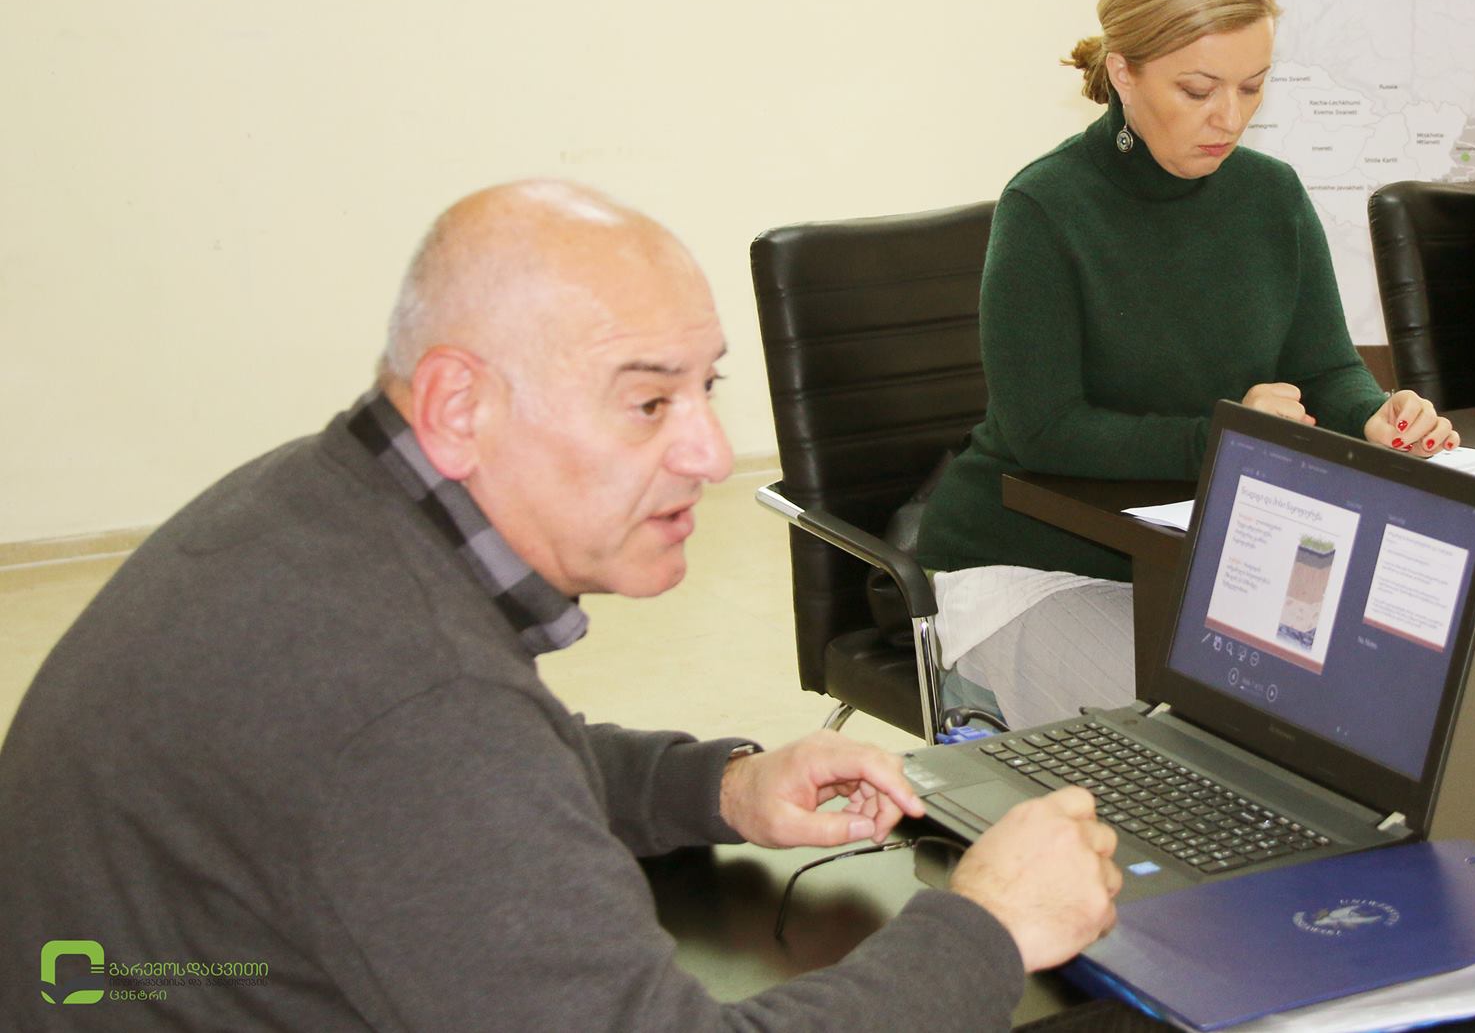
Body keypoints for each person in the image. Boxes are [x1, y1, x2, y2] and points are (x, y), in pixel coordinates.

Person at [0, 181, 1119, 1031]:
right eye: (647, 402)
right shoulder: (413, 702)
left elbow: (484, 772)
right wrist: (985, 928)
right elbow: (443, 754)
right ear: (458, 405)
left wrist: (711, 785)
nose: (710, 453)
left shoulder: (317, 504)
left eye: (704, 388)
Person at [915, 0, 1457, 729]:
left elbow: (1324, 368)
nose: (1229, 117)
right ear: (1124, 72)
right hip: (1037, 563)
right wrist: (1225, 437)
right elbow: (1044, 430)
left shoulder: (1271, 195)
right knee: (1240, 715)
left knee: (1385, 687)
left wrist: (1374, 413)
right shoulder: (1046, 208)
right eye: (1198, 89)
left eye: (1252, 86)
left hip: (1208, 555)